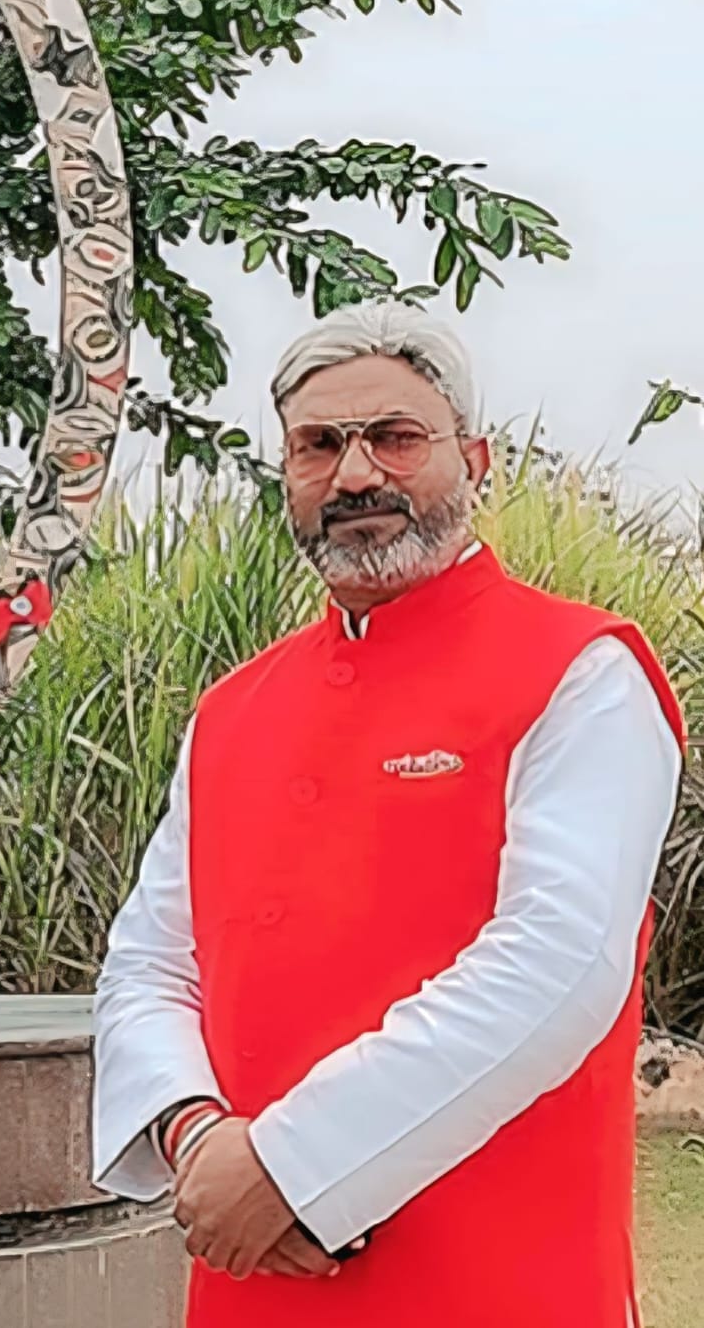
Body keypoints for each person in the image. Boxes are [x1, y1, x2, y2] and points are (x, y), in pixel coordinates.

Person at [90, 299, 686, 1327]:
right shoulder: (232, 711)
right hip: (252, 1273)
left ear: (475, 460)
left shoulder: (581, 673)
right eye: (318, 446)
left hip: (499, 1278)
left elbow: (559, 965)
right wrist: (195, 1137)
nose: (356, 475)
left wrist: (290, 1165)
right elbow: (148, 960)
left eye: (396, 437)